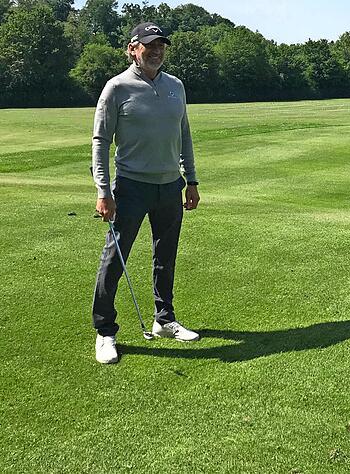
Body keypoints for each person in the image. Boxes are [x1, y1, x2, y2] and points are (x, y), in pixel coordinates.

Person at [91, 22, 201, 364]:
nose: (156, 51)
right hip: (131, 187)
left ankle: (164, 320)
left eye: (161, 46)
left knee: (165, 257)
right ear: (132, 48)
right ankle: (105, 331)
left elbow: (184, 134)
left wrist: (192, 180)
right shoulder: (116, 88)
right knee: (115, 258)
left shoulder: (175, 86)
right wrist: (103, 190)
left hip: (170, 186)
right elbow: (100, 141)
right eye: (149, 45)